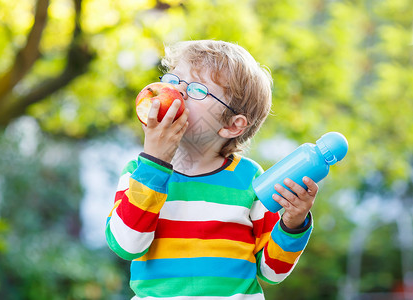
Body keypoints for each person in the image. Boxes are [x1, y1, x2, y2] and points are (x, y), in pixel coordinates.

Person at [106, 40, 318, 299]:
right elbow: (127, 245)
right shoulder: (139, 173)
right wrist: (154, 163)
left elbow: (271, 271)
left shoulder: (249, 179)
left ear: (232, 125)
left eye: (197, 90)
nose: (177, 92)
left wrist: (293, 223)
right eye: (173, 80)